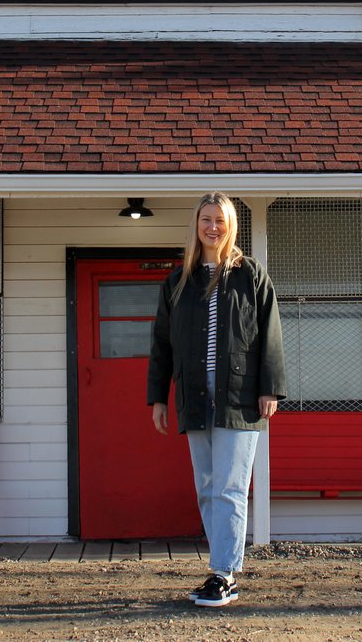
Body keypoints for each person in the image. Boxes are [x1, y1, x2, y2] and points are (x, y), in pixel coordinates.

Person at [147, 191, 287, 607]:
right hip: (195, 397)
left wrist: (270, 388)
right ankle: (221, 567)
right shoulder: (178, 281)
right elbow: (162, 344)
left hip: (239, 398)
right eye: (206, 219)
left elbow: (270, 335)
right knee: (207, 487)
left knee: (229, 487)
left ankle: (224, 574)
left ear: (230, 226)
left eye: (220, 220)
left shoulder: (251, 276)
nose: (212, 227)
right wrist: (158, 397)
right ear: (196, 225)